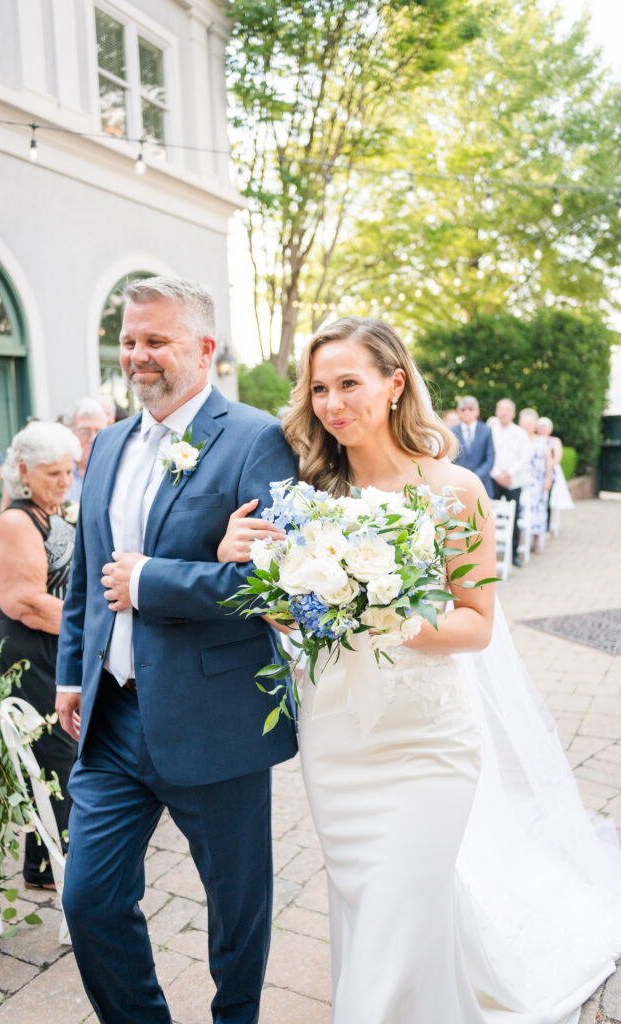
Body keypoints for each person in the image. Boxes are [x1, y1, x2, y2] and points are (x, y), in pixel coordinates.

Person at [220, 316, 621, 1024]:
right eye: (318, 388)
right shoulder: (308, 492)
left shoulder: (454, 489)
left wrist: (382, 614)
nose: (331, 403)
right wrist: (252, 568)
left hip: (425, 740)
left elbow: (475, 622)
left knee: (396, 902)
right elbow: (285, 615)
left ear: (394, 382)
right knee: (372, 903)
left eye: (349, 383)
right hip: (336, 734)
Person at [54, 275, 297, 1024]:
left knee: (235, 910)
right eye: (128, 341)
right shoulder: (110, 445)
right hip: (113, 717)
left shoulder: (255, 437)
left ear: (203, 348)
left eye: (155, 340)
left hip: (214, 715)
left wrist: (156, 581)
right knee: (88, 898)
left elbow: (279, 587)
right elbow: (87, 580)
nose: (137, 356)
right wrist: (70, 674)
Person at [0, 421, 81, 889]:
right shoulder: (15, 520)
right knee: (55, 755)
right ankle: (64, 866)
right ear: (24, 471)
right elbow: (23, 601)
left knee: (55, 756)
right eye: (52, 474)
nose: (64, 481)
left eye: (68, 471)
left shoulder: (55, 512)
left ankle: (44, 867)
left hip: (52, 643)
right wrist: (93, 628)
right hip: (25, 651)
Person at [489, 398, 531, 567]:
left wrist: (509, 474)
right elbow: (489, 455)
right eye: (500, 408)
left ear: (513, 413)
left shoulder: (520, 433)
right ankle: (489, 556)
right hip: (494, 479)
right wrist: (498, 474)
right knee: (489, 518)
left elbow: (524, 458)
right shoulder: (490, 431)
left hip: (514, 481)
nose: (504, 412)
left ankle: (513, 555)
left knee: (514, 518)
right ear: (496, 411)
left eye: (507, 409)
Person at [518, 408, 553, 553]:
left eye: (529, 425)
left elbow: (548, 461)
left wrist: (548, 479)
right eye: (524, 425)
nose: (527, 428)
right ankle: (520, 541)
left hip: (538, 482)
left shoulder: (541, 441)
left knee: (539, 510)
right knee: (521, 510)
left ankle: (537, 541)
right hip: (522, 481)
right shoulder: (518, 440)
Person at [62, 397, 108, 502]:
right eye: (84, 431)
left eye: (99, 431)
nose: (92, 439)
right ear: (69, 432)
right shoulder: (58, 473)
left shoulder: (112, 471)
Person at [451, 395, 495, 496]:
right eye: (463, 409)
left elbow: (490, 459)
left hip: (482, 484)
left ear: (477, 412)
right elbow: (450, 459)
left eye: (470, 409)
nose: (466, 412)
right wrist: (463, 477)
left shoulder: (486, 431)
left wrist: (475, 477)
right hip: (458, 484)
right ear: (459, 412)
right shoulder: (452, 431)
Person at [537, 416, 574, 529]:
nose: (542, 429)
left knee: (547, 500)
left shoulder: (554, 441)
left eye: (544, 427)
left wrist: (547, 467)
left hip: (550, 475)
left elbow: (557, 458)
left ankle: (546, 527)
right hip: (535, 475)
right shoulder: (535, 439)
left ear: (550, 429)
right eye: (540, 427)